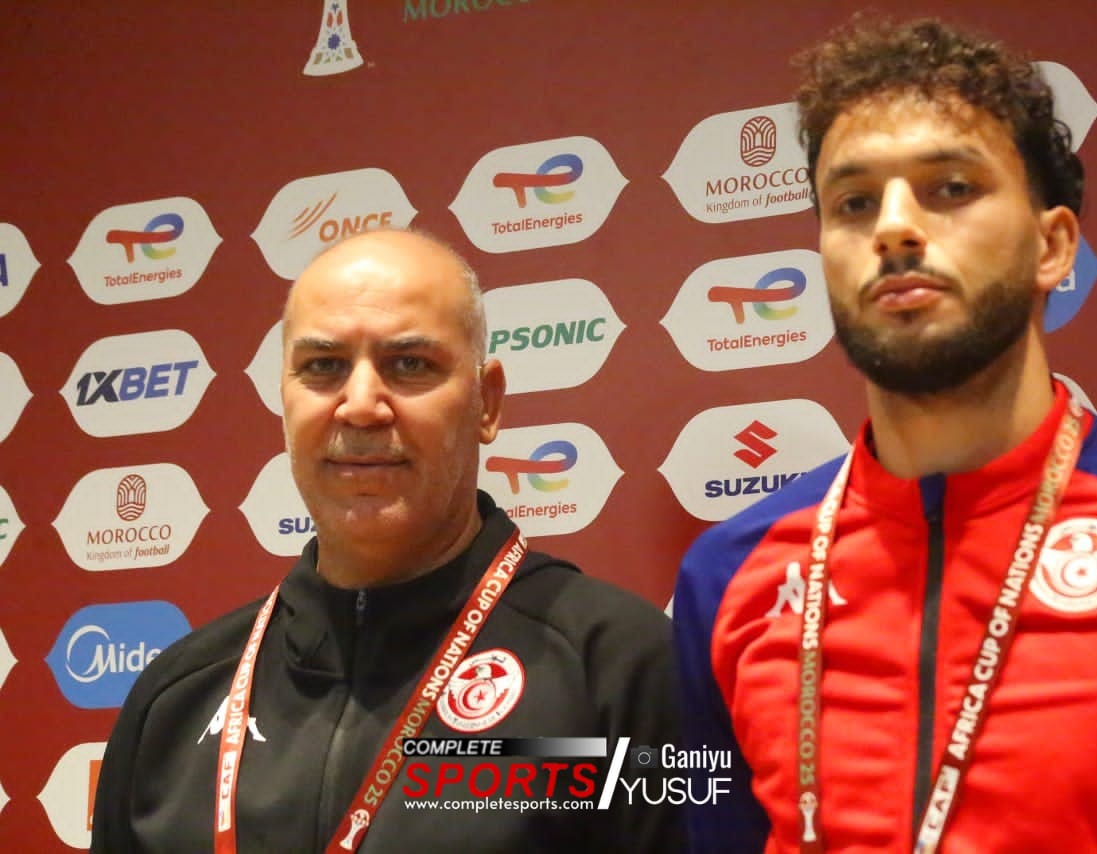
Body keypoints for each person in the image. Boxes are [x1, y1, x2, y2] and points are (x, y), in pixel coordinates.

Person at [673, 16, 1097, 854]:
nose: (893, 227)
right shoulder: (727, 573)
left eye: (950, 188)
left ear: (1052, 245)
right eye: (853, 203)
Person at [92, 228, 683, 853]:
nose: (362, 405)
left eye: (410, 365)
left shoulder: (622, 670)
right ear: (285, 397)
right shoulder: (175, 698)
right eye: (323, 367)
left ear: (487, 402)